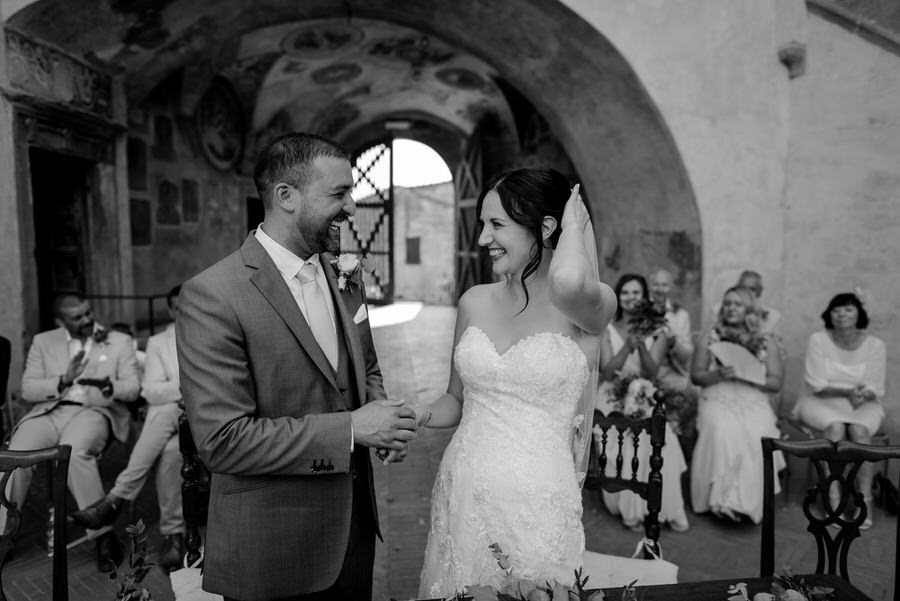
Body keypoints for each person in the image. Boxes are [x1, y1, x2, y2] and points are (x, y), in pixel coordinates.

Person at [176, 132, 419, 601]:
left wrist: (380, 417)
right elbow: (224, 442)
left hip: (353, 534)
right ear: (286, 196)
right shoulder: (213, 295)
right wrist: (352, 429)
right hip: (274, 547)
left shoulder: (346, 275)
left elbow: (364, 366)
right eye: (339, 193)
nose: (352, 207)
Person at [414, 168, 617, 598]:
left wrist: (574, 224)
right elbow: (455, 401)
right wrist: (415, 413)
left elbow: (565, 279)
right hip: (464, 489)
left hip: (539, 503)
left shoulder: (587, 307)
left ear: (544, 228)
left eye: (497, 224)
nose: (482, 238)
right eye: (482, 224)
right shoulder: (473, 301)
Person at [0, 294, 140, 571]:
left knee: (74, 451)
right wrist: (62, 380)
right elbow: (28, 389)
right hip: (49, 411)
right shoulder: (44, 341)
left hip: (95, 410)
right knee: (14, 457)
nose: (88, 319)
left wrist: (110, 386)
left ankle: (102, 535)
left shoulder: (119, 341)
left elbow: (134, 388)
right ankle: (2, 534)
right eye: (78, 317)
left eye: (88, 312)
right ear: (60, 321)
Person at [69, 285, 186, 571]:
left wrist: (182, 391)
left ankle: (115, 498)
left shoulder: (214, 333)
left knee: (163, 410)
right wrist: (185, 389)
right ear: (170, 310)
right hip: (176, 416)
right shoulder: (158, 343)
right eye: (177, 307)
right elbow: (151, 391)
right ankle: (175, 534)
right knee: (170, 451)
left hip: (205, 414)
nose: (184, 311)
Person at [596, 274, 690, 533]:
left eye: (636, 293)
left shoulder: (658, 329)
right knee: (625, 443)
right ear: (618, 297)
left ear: (645, 296)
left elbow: (651, 372)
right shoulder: (607, 327)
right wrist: (627, 345)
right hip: (612, 393)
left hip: (645, 391)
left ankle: (666, 510)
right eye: (625, 293)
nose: (630, 298)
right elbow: (606, 371)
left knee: (662, 442)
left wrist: (642, 346)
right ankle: (631, 511)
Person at [791, 292, 886, 529]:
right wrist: (847, 392)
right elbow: (817, 384)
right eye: (836, 309)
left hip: (861, 404)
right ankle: (832, 499)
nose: (841, 314)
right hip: (820, 402)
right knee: (835, 428)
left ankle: (865, 501)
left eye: (848, 309)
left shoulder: (875, 345)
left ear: (859, 314)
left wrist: (863, 394)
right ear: (828, 314)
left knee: (859, 431)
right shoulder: (818, 340)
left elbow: (876, 385)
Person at [690, 286, 784, 523]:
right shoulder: (710, 336)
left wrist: (748, 375)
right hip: (717, 392)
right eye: (727, 303)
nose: (731, 308)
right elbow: (696, 376)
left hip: (752, 395)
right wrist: (719, 373)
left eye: (737, 304)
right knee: (723, 429)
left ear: (749, 310)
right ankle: (720, 500)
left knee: (758, 432)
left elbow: (775, 382)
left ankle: (746, 503)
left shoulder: (766, 341)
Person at [648, 268, 693, 391]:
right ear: (650, 286)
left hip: (671, 372)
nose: (659, 289)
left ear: (671, 287)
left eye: (664, 285)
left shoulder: (681, 315)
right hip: (645, 369)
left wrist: (673, 343)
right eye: (655, 284)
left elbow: (687, 354)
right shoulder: (643, 309)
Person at [712, 271, 782, 336]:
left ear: (760, 292)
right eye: (743, 288)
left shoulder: (773, 316)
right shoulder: (719, 310)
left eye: (752, 289)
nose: (747, 293)